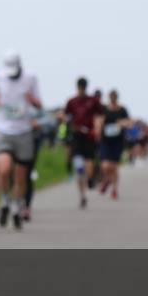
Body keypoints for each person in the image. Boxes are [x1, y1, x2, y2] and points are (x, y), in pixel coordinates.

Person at [0, 51, 42, 230]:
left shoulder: (31, 77)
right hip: (3, 129)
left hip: (23, 131)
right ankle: (4, 202)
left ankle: (17, 206)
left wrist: (31, 100)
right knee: (3, 169)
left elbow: (39, 104)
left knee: (20, 175)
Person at [61, 77, 103, 209]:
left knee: (89, 162)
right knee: (79, 167)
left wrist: (97, 129)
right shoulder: (71, 101)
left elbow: (99, 116)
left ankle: (90, 179)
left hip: (89, 136)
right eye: (80, 88)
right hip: (76, 136)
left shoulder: (93, 101)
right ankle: (82, 195)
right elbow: (65, 115)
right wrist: (64, 120)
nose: (81, 90)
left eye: (83, 88)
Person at [95, 89, 132, 200]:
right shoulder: (104, 109)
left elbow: (130, 123)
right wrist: (98, 129)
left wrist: (121, 123)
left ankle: (114, 189)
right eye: (111, 97)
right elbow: (98, 121)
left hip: (118, 141)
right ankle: (107, 180)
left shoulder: (122, 110)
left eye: (114, 97)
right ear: (109, 97)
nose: (113, 99)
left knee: (114, 166)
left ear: (117, 97)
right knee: (105, 165)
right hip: (105, 140)